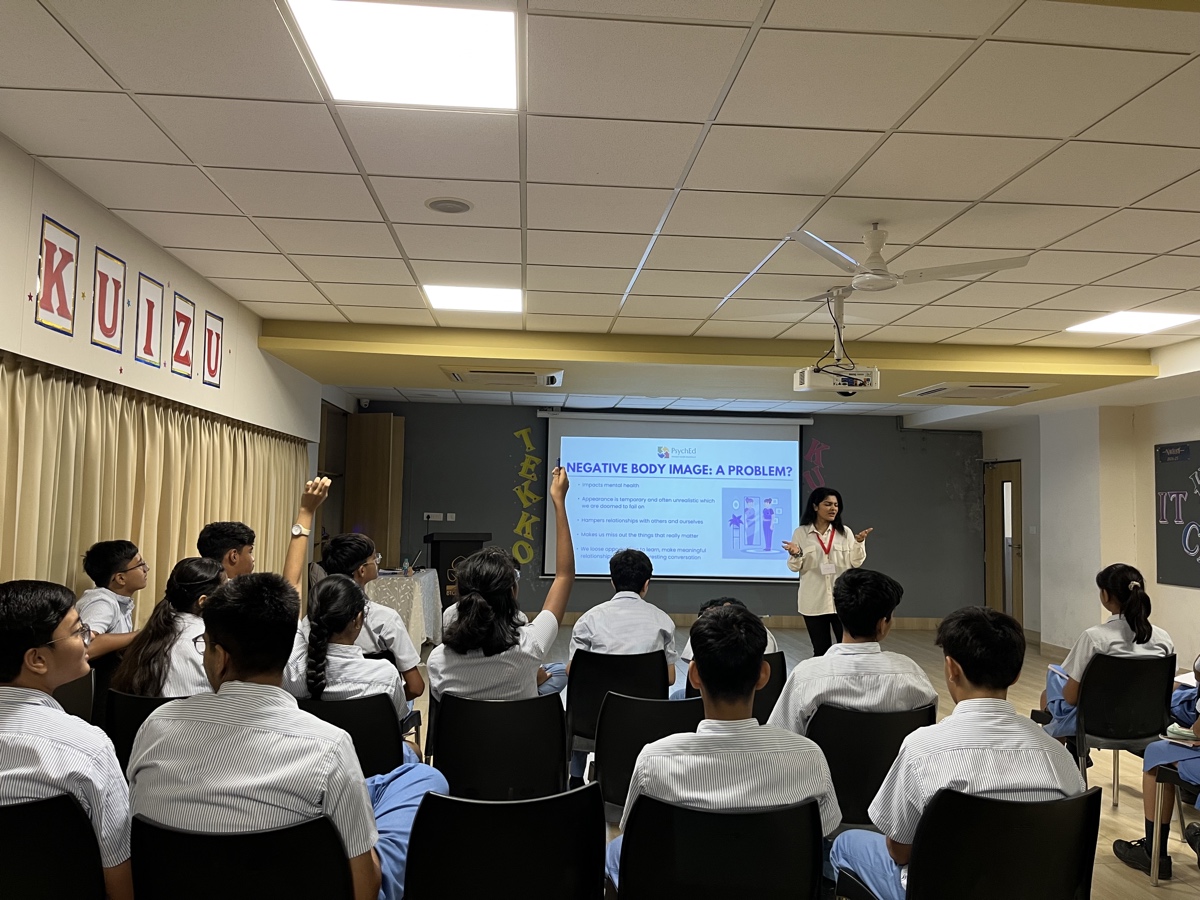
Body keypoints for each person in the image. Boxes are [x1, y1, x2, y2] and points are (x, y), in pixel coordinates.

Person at [127, 572, 447, 900]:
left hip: (180, 885)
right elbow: (364, 890)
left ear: (221, 657)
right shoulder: (328, 746)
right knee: (424, 779)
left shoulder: (156, 726)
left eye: (204, 645)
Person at [829, 606, 1086, 900]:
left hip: (940, 891)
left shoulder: (922, 749)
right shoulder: (1057, 757)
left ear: (952, 669)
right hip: (1034, 889)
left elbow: (899, 851)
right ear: (1016, 675)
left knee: (845, 845)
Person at [605, 604, 841, 889]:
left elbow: (638, 836)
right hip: (773, 886)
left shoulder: (654, 760)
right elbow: (823, 831)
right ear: (763, 674)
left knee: (615, 850)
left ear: (694, 675)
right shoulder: (809, 757)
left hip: (685, 887)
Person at [0, 580, 132, 900]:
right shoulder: (87, 747)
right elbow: (117, 869)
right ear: (37, 660)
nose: (89, 637)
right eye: (78, 631)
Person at [426, 466, 574, 702]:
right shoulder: (530, 646)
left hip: (463, 728)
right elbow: (564, 576)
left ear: (461, 593)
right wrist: (559, 501)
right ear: (512, 592)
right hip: (520, 727)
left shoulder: (437, 661)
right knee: (557, 672)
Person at [768, 569, 936, 736]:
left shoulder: (805, 677)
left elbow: (779, 736)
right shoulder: (913, 676)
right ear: (882, 624)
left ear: (840, 613)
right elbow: (925, 733)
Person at [1039, 564, 1173, 758]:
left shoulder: (1094, 638)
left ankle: (1064, 763)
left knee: (1051, 687)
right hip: (1147, 723)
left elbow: (1071, 697)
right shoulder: (1162, 638)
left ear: (1105, 595)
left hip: (1097, 723)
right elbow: (1169, 688)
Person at [283, 574, 411, 726]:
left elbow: (290, 589)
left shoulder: (292, 668)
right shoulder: (386, 677)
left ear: (311, 617)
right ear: (358, 620)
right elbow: (394, 724)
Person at [313, 532, 424, 702]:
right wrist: (387, 706)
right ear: (362, 570)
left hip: (322, 712)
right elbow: (415, 687)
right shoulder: (384, 619)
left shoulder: (312, 619)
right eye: (375, 558)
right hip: (377, 712)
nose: (377, 561)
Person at [110, 557, 224, 697]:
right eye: (224, 592)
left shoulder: (154, 631)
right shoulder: (205, 642)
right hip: (194, 710)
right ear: (203, 601)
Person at [783, 487, 872, 658]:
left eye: (836, 505)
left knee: (846, 649)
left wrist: (859, 542)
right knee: (820, 649)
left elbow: (856, 562)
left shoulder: (844, 532)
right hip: (813, 600)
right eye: (828, 504)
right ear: (815, 506)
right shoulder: (801, 533)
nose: (833, 508)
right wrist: (796, 554)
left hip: (842, 600)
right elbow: (794, 567)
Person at [670, 597, 779, 700]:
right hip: (761, 702)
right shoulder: (762, 633)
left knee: (677, 696)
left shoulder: (706, 630)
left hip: (702, 703)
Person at [78, 539, 146, 660]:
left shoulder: (119, 602)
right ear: (120, 578)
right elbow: (83, 647)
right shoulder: (102, 603)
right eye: (140, 565)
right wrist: (140, 635)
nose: (146, 569)